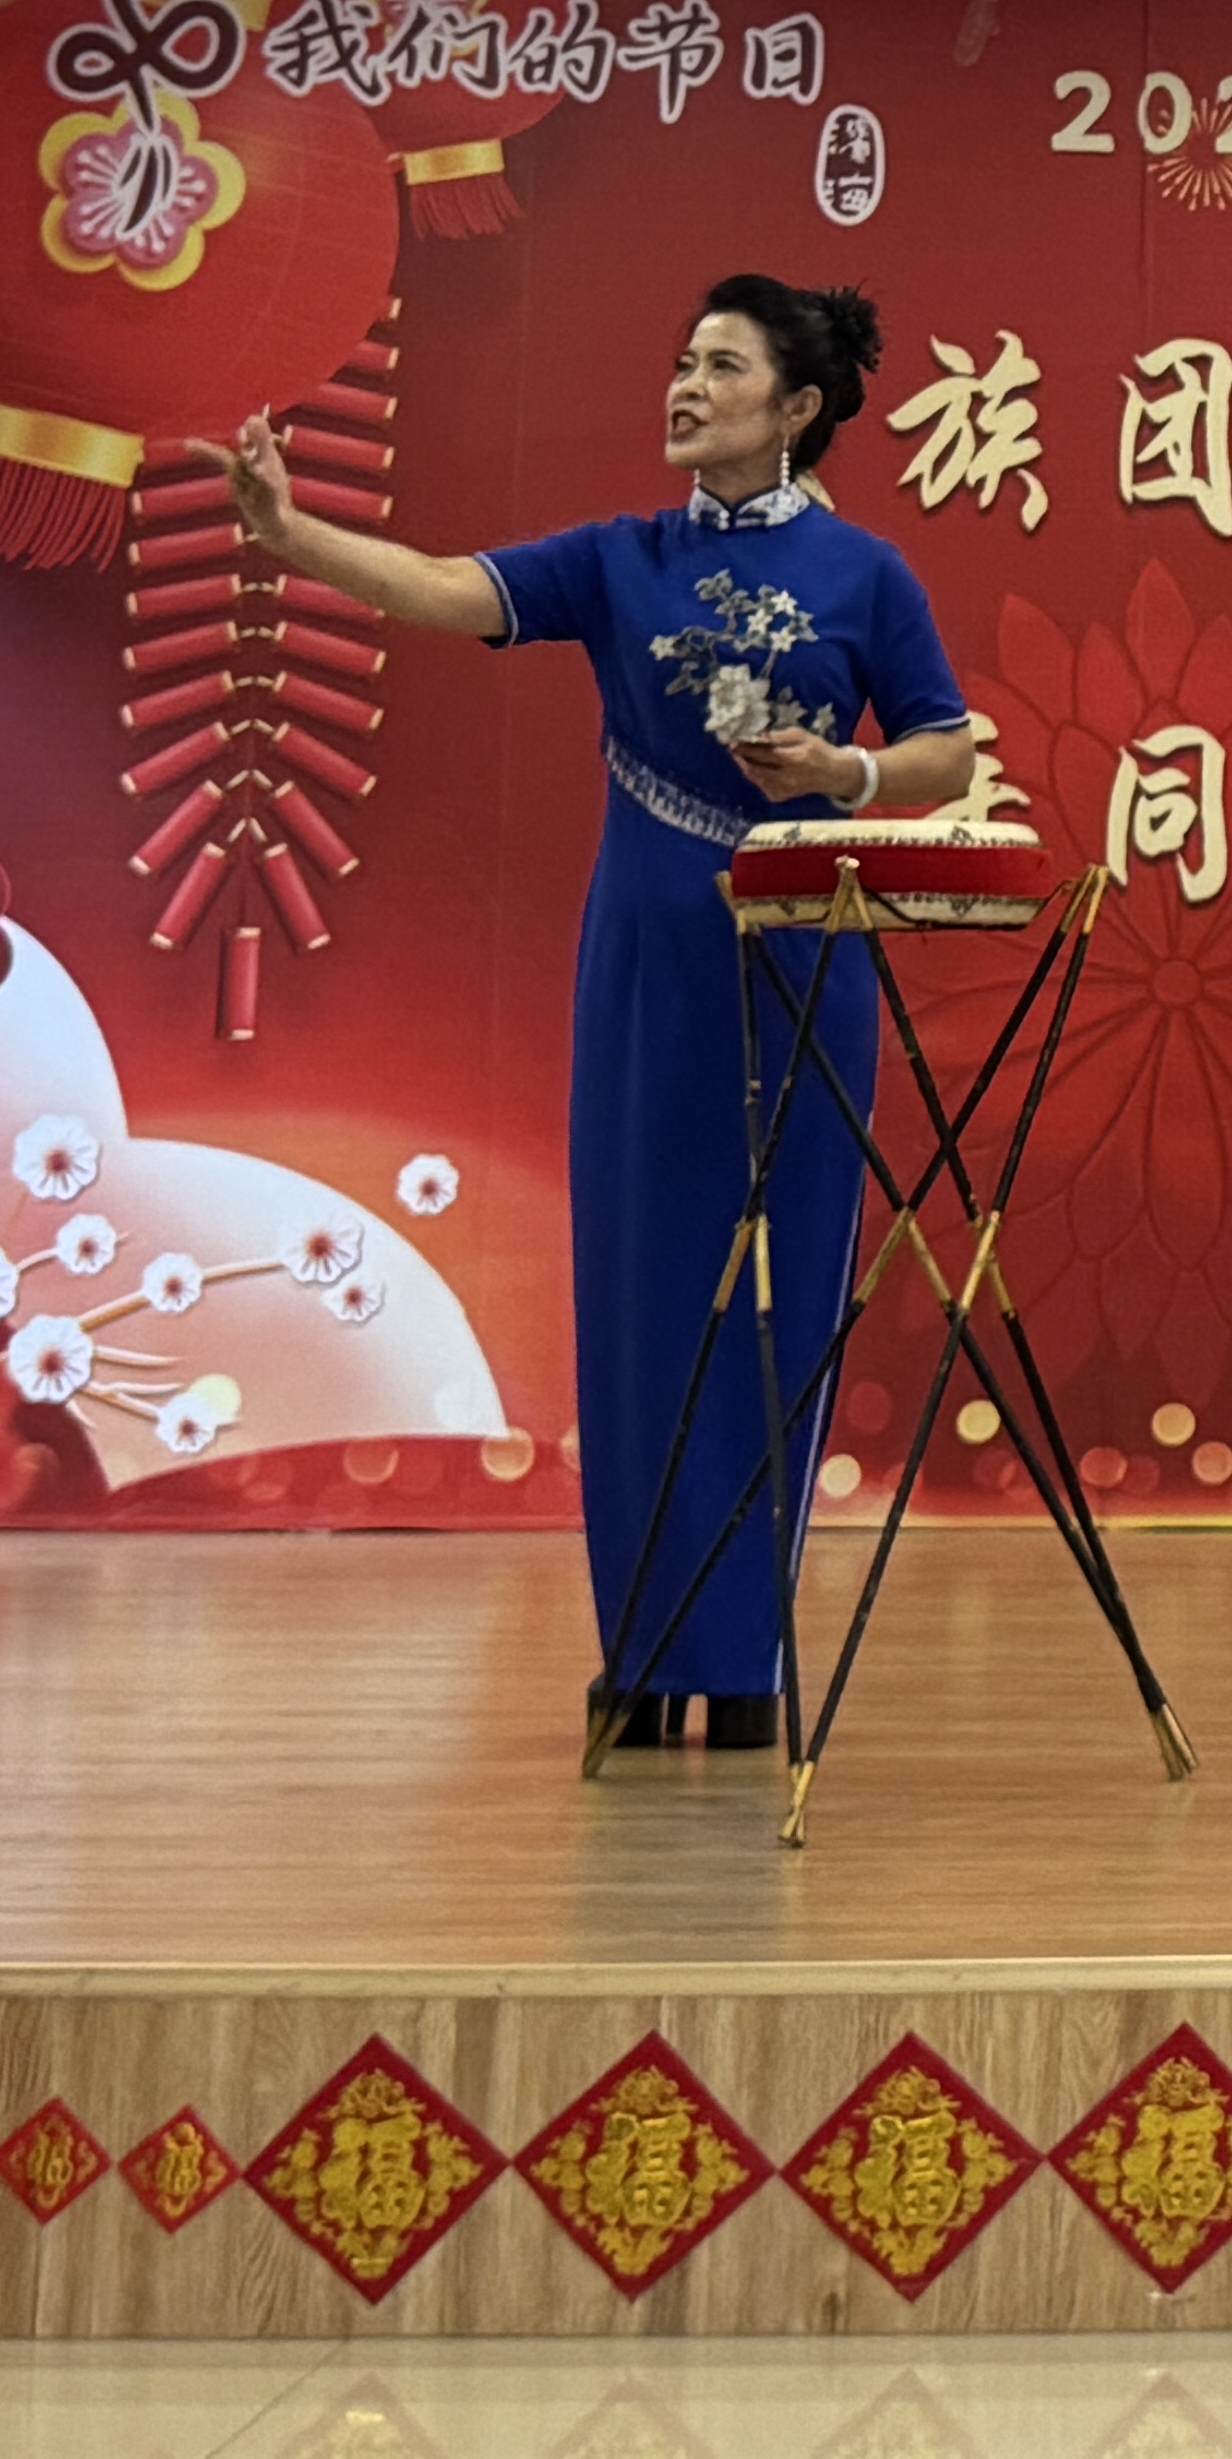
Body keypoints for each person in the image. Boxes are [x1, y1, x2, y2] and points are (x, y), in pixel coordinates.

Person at [221, 274, 976, 1752]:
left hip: (801, 963)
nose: (686, 386)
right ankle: (641, 1651)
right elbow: (441, 587)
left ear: (798, 407)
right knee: (642, 1300)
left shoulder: (867, 575)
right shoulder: (620, 560)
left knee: (782, 1304)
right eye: (683, 360)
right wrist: (287, 533)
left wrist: (848, 778)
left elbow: (944, 751)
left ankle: (745, 1659)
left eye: (723, 367)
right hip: (646, 964)